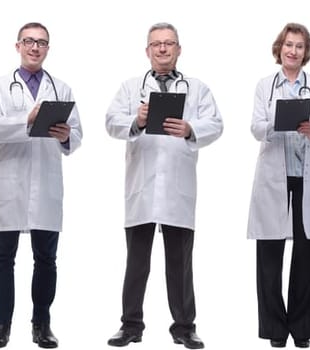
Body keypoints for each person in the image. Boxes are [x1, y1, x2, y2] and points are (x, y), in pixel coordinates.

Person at [103, 22, 223, 350]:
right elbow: (111, 122)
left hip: (178, 189)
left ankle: (185, 328)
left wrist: (189, 128)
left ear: (179, 49)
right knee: (136, 261)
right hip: (142, 187)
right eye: (156, 44)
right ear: (147, 50)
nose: (163, 49)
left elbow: (215, 124)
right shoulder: (131, 89)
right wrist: (137, 120)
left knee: (180, 263)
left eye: (169, 43)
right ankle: (130, 326)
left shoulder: (196, 88)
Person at [0, 22, 81, 349]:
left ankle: (42, 324)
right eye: (29, 41)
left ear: (48, 49)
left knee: (46, 259)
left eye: (41, 43)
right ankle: (1, 325)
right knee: (2, 259)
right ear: (18, 46)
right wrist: (27, 120)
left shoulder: (61, 88)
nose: (35, 47)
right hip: (10, 184)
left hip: (47, 184)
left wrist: (67, 137)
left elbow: (77, 135)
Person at [245, 22, 310, 349]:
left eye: (299, 46)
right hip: (274, 178)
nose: (293, 51)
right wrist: (278, 123)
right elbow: (256, 127)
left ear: (306, 51)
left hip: (307, 179)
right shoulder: (264, 86)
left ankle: (301, 328)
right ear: (279, 48)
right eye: (289, 45)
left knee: (308, 256)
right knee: (269, 255)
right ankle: (274, 328)